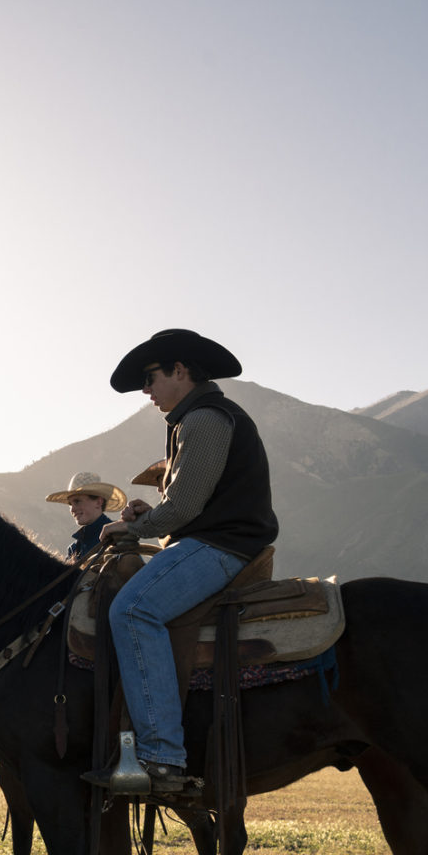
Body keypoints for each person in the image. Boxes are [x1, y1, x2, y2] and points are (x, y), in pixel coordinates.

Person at [82, 329, 278, 796]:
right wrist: (154, 516)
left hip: (223, 546)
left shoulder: (206, 419)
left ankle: (162, 756)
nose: (146, 391)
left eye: (150, 379)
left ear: (180, 371)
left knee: (131, 609)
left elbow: (186, 507)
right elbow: (189, 504)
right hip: (214, 538)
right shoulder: (195, 419)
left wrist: (129, 528)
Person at [44, 472, 125, 563]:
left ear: (98, 502)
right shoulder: (74, 549)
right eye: (70, 504)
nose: (72, 509)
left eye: (77, 501)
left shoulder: (118, 534)